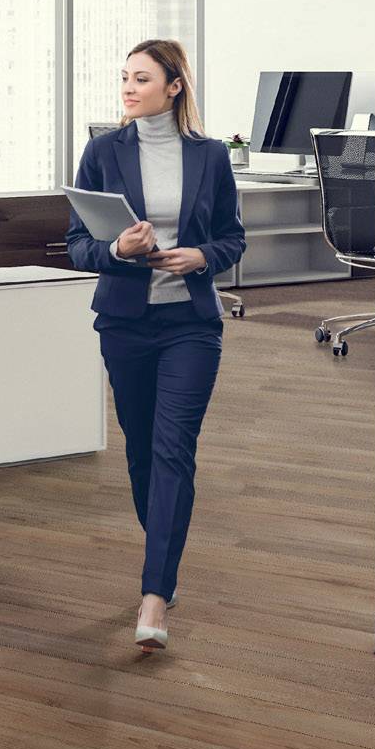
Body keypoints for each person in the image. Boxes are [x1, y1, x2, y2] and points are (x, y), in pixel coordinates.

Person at [62, 38, 245, 653]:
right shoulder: (101, 152)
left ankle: (154, 594)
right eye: (124, 77)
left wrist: (202, 256)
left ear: (174, 87)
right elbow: (77, 246)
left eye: (142, 78)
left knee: (172, 451)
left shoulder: (210, 156)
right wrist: (119, 252)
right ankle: (165, 561)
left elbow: (231, 238)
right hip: (124, 326)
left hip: (190, 324)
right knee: (141, 454)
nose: (129, 87)